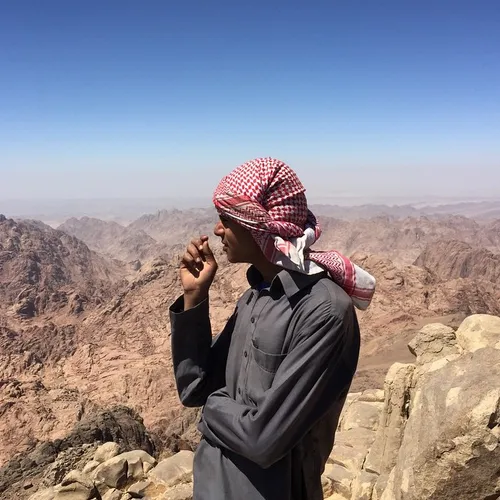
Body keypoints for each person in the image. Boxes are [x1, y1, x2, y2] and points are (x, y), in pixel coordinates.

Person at [169, 158, 376, 500]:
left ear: (257, 226)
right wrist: (195, 297)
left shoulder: (323, 312)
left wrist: (212, 410)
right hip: (213, 486)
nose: (217, 231)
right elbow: (194, 388)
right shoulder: (256, 297)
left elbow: (263, 440)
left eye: (226, 220)